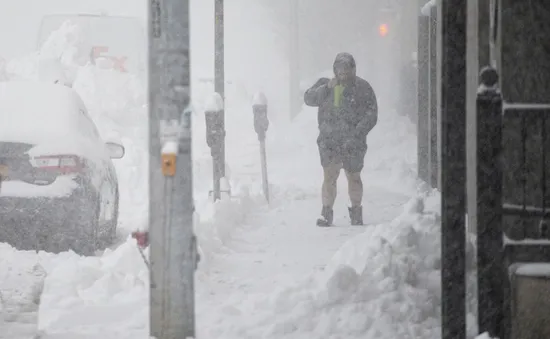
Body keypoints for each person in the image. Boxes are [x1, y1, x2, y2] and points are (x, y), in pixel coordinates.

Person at [304, 52, 378, 227]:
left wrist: (357, 133)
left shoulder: (362, 87)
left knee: (354, 177)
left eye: (346, 68)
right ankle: (326, 212)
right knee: (329, 176)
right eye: (339, 68)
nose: (342, 72)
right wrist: (327, 88)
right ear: (334, 69)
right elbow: (308, 98)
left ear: (352, 69)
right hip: (329, 141)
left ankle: (356, 212)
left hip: (353, 142)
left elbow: (371, 114)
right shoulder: (325, 85)